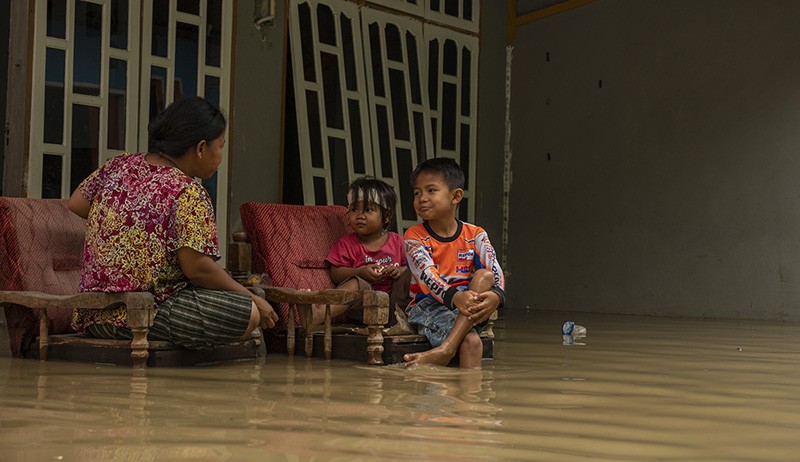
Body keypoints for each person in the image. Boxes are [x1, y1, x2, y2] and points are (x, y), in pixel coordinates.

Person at [67, 96, 278, 350]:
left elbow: (77, 203)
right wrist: (251, 296)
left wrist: (125, 219)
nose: (220, 156)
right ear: (201, 148)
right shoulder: (187, 191)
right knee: (251, 313)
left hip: (94, 315)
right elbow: (197, 269)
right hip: (143, 313)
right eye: (220, 147)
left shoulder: (119, 165)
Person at [403, 158, 505, 368]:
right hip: (428, 306)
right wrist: (456, 297)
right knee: (471, 342)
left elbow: (494, 270)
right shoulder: (414, 236)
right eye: (417, 193)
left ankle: (447, 349)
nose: (422, 198)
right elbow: (426, 276)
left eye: (431, 190)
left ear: (456, 196)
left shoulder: (475, 234)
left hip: (469, 303)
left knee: (485, 276)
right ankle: (469, 398)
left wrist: (497, 296)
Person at [300, 176, 409, 330]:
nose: (359, 215)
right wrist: (360, 272)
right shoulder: (347, 244)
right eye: (353, 209)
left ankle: (412, 321)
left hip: (395, 308)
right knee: (357, 283)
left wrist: (399, 270)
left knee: (410, 275)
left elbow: (410, 269)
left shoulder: (398, 242)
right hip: (363, 309)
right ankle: (317, 314)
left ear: (387, 216)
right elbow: (335, 273)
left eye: (368, 209)